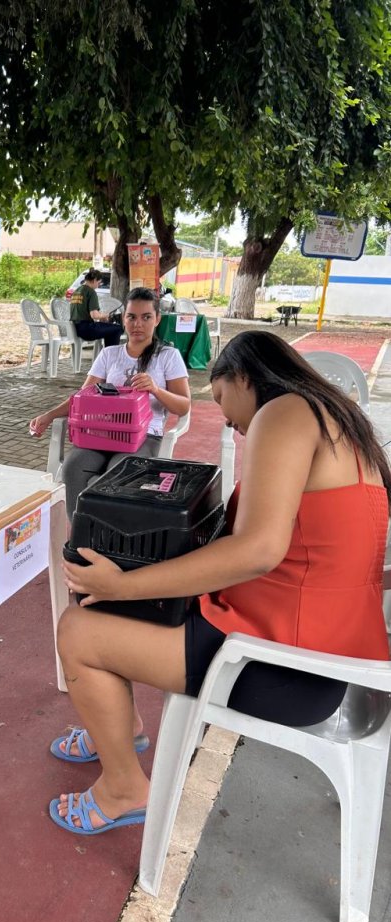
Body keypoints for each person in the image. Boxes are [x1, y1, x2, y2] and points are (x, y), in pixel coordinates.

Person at [48, 330, 391, 835]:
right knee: (120, 604)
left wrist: (125, 585)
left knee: (78, 629)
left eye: (223, 398)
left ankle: (123, 791)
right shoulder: (338, 420)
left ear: (245, 376)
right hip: (321, 651)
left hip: (284, 666)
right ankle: (121, 729)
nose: (229, 422)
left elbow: (258, 551)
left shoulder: (285, 412)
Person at [30, 287, 191, 517]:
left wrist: (155, 389)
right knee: (74, 467)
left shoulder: (167, 356)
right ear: (123, 319)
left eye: (146, 317)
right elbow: (82, 398)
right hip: (102, 433)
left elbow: (183, 406)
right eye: (131, 317)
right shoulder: (109, 355)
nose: (138, 324)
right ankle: (79, 530)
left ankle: (109, 534)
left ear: (157, 319)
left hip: (145, 436)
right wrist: (49, 415)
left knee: (119, 471)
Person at [69, 268, 123, 347]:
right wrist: (107, 315)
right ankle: (109, 353)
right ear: (94, 280)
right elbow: (94, 315)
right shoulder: (91, 292)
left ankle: (106, 352)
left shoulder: (76, 291)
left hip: (74, 329)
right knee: (117, 329)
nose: (98, 286)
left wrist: (101, 317)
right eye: (99, 283)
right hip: (87, 330)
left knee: (109, 329)